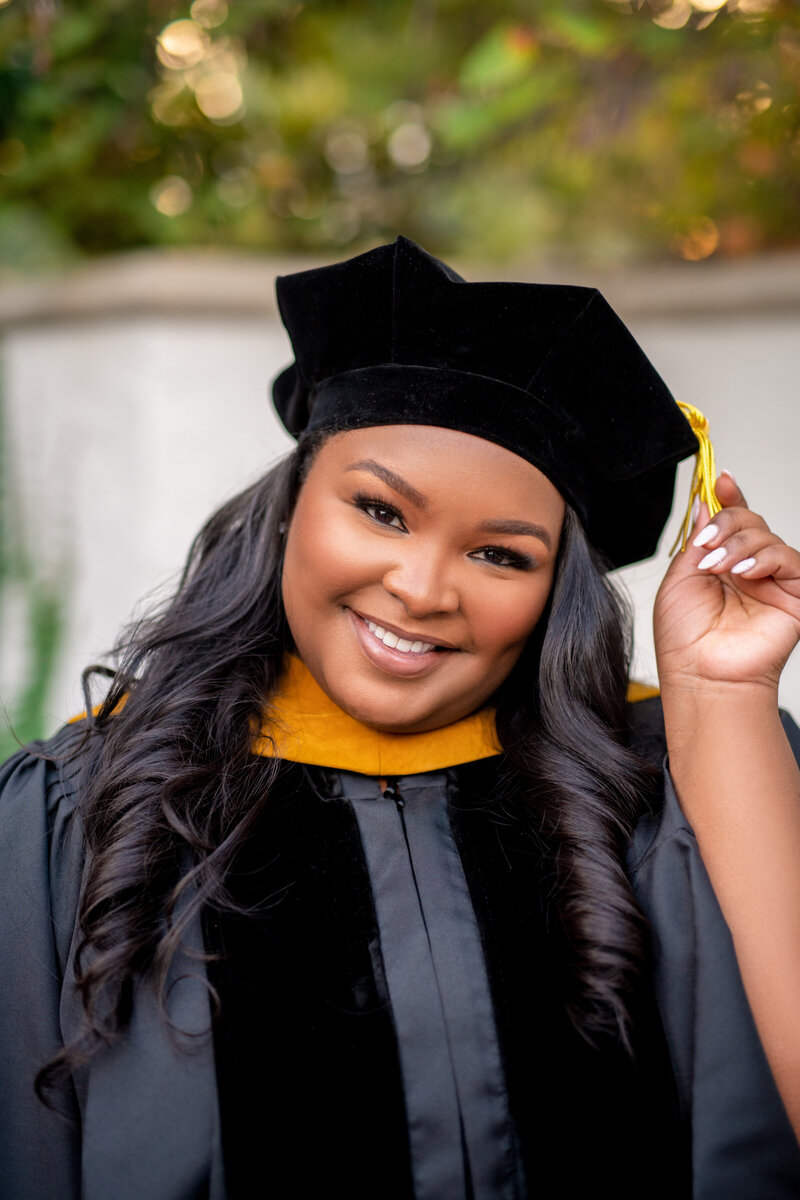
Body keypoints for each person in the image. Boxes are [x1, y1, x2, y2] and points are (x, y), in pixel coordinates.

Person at [2, 235, 800, 1200]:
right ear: (294, 504)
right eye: (381, 511)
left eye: (502, 555)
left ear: (558, 592)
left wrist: (727, 700)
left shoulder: (671, 788)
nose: (422, 590)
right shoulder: (82, 814)